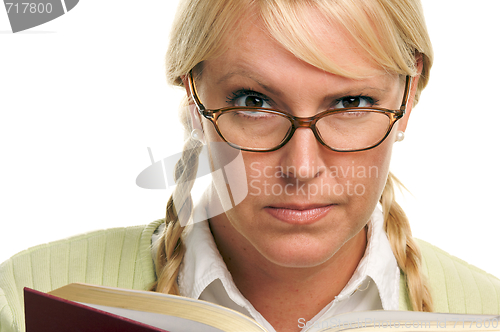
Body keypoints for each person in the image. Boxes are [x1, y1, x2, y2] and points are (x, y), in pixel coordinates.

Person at [0, 1, 499, 332]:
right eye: (253, 101)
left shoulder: (487, 314)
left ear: (408, 97)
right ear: (194, 98)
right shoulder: (30, 297)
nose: (302, 169)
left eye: (351, 101)